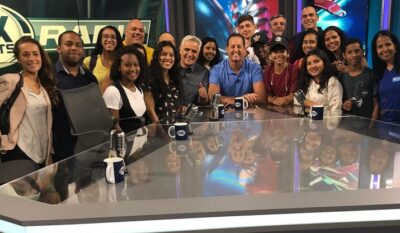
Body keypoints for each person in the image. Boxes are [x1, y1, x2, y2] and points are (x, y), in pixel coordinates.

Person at [0, 36, 58, 167]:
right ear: (19, 59)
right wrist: (3, 142)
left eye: (35, 54)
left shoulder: (45, 86)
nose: (32, 59)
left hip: (44, 154)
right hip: (19, 153)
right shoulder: (10, 81)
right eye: (25, 55)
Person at [52, 31, 98, 162]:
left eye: (78, 45)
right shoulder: (48, 77)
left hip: (89, 148)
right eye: (68, 44)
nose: (74, 48)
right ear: (59, 48)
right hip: (61, 151)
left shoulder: (90, 78)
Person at [208, 33, 266, 107]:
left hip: (249, 115)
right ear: (227, 49)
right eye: (232, 47)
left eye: (239, 47)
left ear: (245, 50)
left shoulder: (255, 68)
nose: (236, 50)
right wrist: (241, 100)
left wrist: (230, 100)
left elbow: (261, 98)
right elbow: (213, 98)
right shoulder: (216, 70)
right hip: (225, 115)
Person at [103, 46, 147, 133]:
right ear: (119, 67)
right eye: (127, 65)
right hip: (124, 144)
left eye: (136, 65)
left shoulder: (139, 89)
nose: (133, 69)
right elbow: (114, 127)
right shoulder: (112, 91)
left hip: (141, 143)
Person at [144, 41, 183, 124]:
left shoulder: (175, 79)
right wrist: (161, 131)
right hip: (156, 130)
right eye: (164, 54)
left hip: (173, 128)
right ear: (157, 57)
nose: (168, 58)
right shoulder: (149, 79)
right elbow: (150, 111)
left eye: (171, 55)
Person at [341, 38, 379, 120]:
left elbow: (376, 104)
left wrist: (372, 127)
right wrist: (343, 105)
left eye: (357, 51)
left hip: (367, 127)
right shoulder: (341, 77)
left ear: (362, 52)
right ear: (344, 55)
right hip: (345, 127)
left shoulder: (372, 74)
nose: (354, 55)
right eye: (349, 52)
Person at [82, 25, 123, 93]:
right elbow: (84, 88)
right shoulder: (89, 61)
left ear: (117, 41)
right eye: (105, 36)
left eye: (113, 37)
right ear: (100, 40)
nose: (109, 40)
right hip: (96, 102)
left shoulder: (122, 63)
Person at [372, 30, 400, 123]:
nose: (384, 49)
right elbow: (377, 105)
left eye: (388, 44)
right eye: (380, 46)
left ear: (395, 47)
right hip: (384, 127)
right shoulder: (377, 74)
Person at [263, 36, 298, 106]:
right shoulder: (267, 71)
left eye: (282, 51)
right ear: (270, 56)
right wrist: (274, 101)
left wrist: (283, 100)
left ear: (288, 54)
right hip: (272, 110)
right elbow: (268, 96)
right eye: (275, 52)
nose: (279, 55)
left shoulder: (294, 69)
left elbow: (293, 96)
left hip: (291, 109)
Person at [179, 35, 210, 105]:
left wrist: (203, 97)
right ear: (180, 50)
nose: (190, 54)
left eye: (194, 51)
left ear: (198, 54)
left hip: (193, 114)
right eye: (187, 49)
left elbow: (203, 102)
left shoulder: (204, 73)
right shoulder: (170, 68)